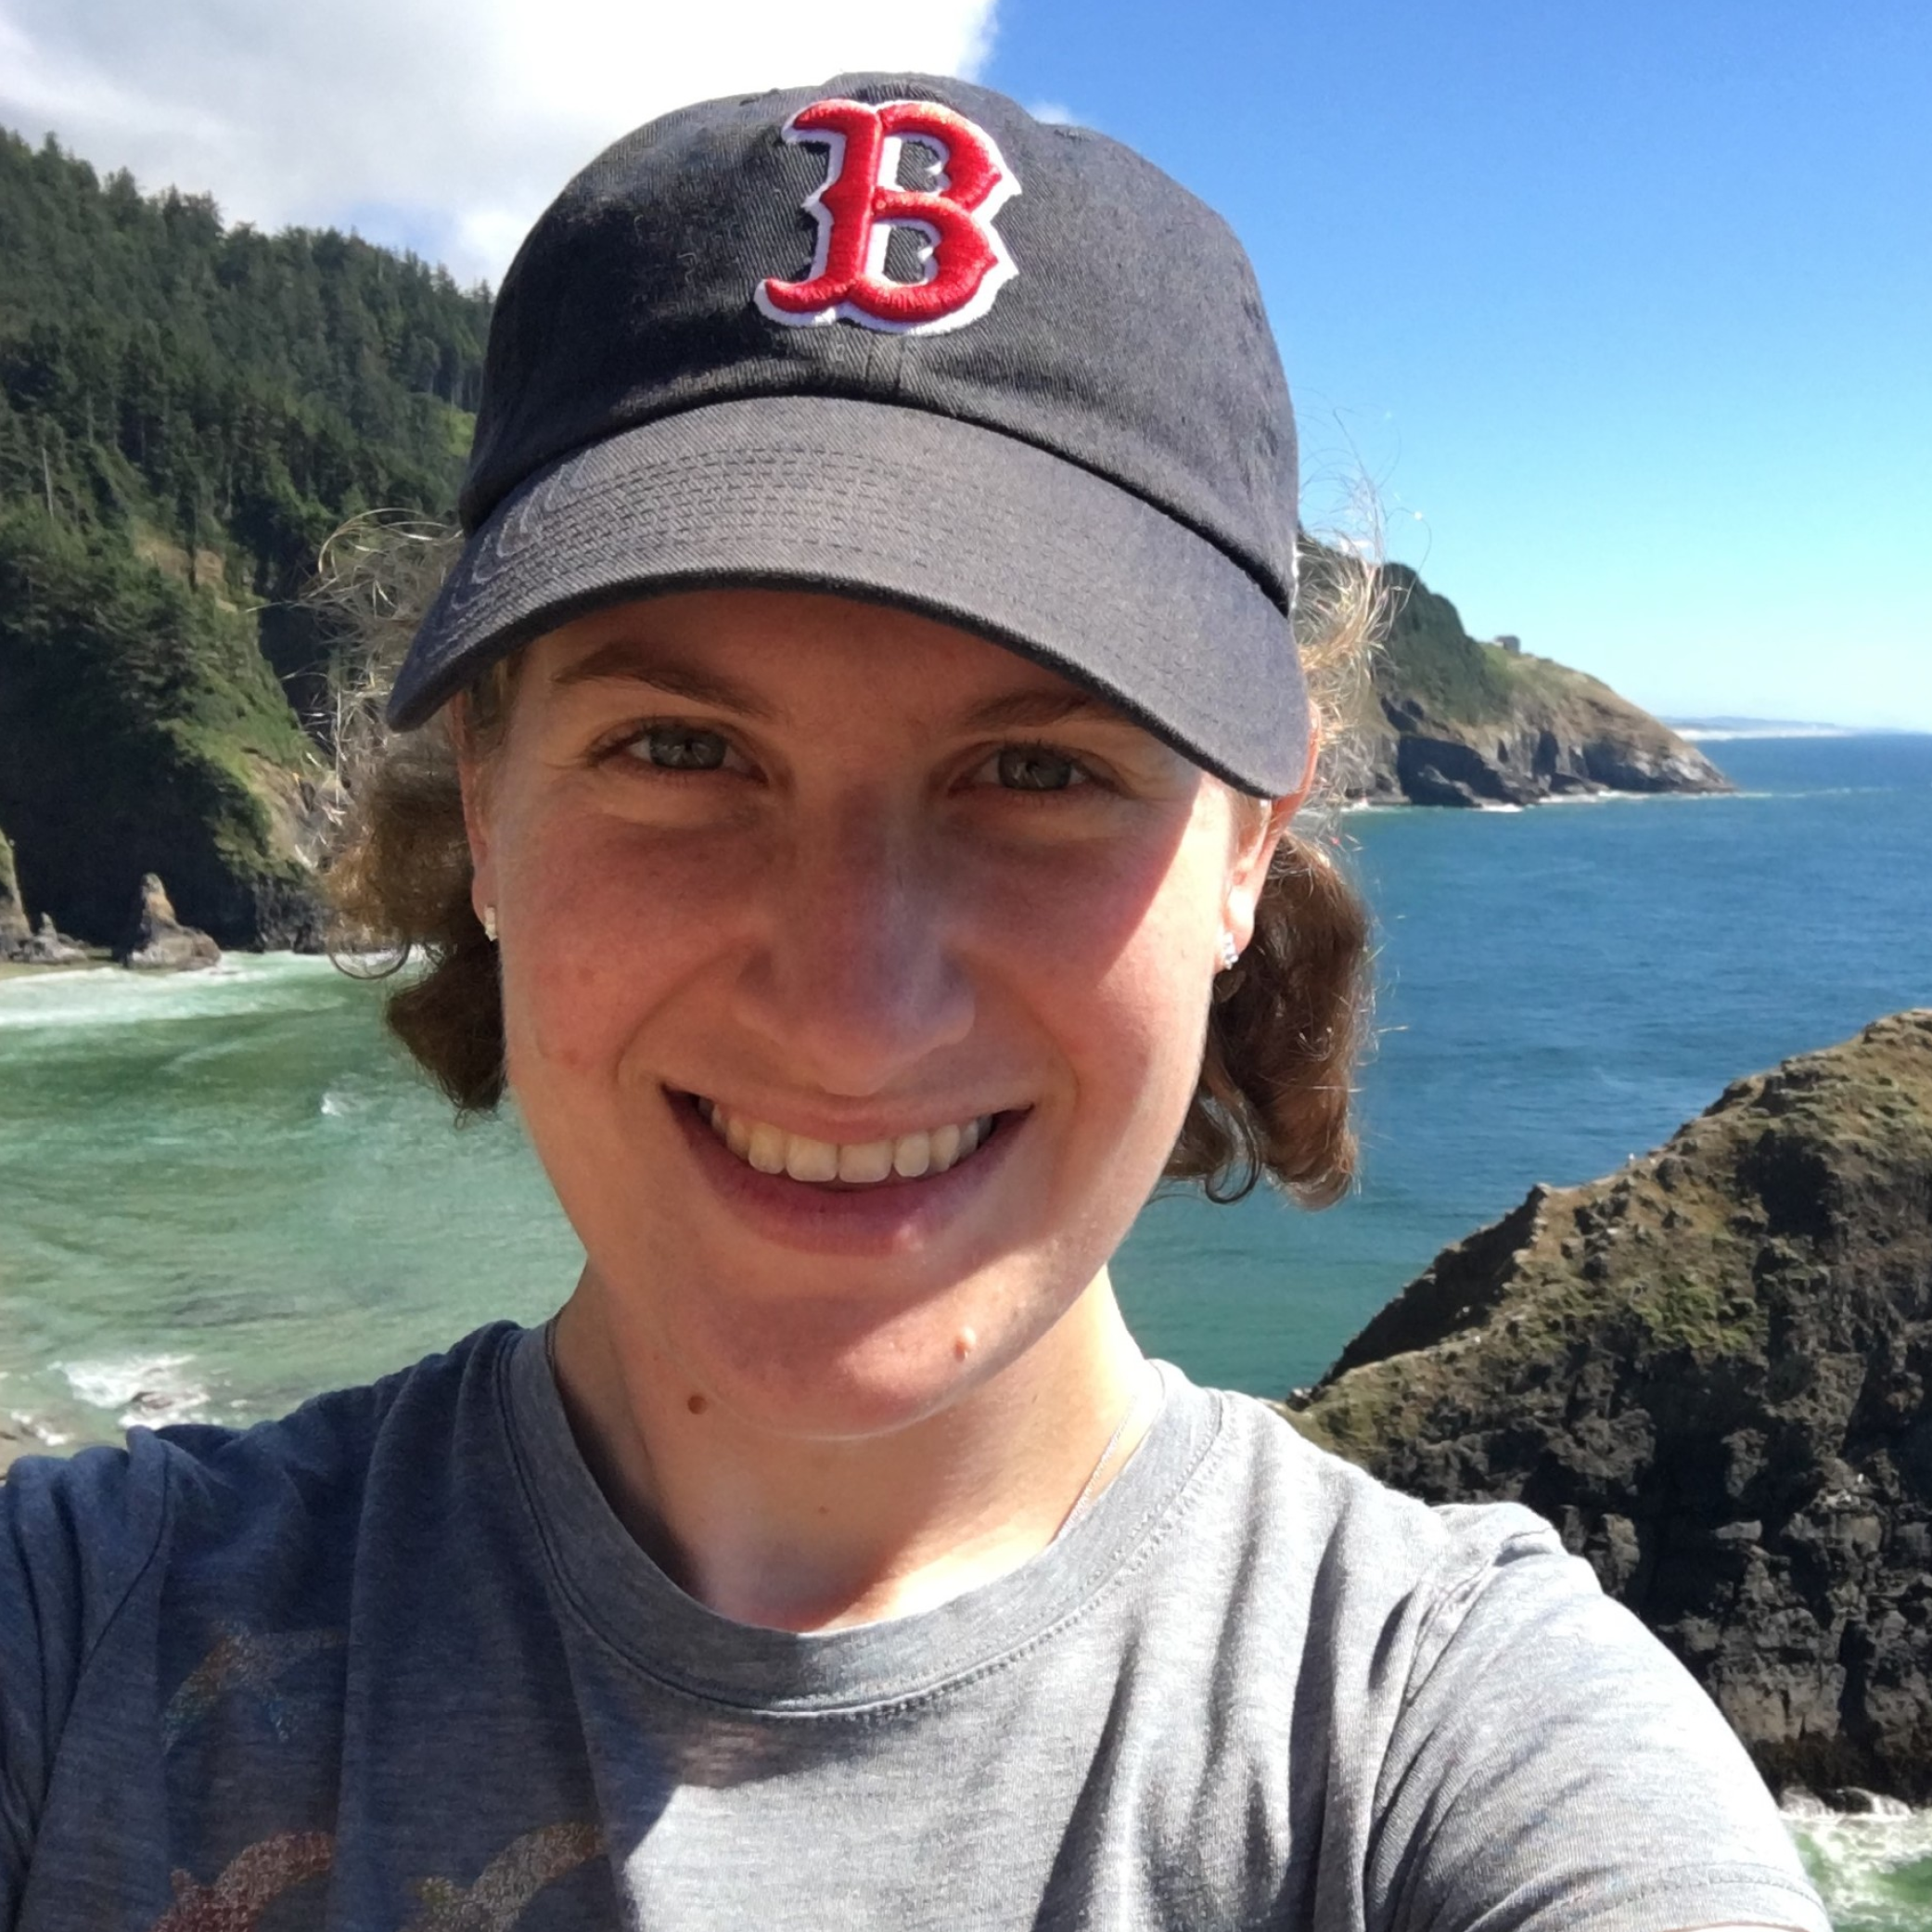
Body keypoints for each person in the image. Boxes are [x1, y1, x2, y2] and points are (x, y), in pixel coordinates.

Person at [0, 74, 1826, 1932]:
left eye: (1038, 773)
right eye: (682, 747)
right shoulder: (75, 1644)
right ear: (485, 808)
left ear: (1248, 856)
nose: (854, 1014)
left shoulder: (1447, 1747)